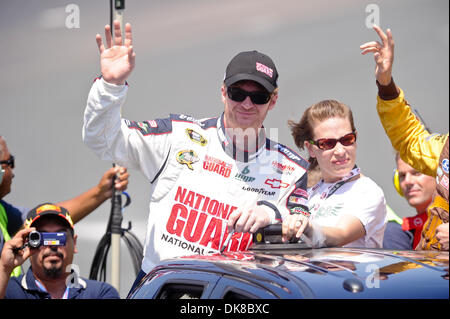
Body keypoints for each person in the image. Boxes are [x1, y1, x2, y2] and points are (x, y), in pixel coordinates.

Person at [82, 21, 310, 291]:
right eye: (238, 93)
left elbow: (308, 234)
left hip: (235, 296)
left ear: (273, 101)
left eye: (258, 96)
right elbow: (103, 140)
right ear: (223, 92)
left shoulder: (292, 170)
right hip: (163, 289)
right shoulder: (177, 136)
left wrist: (272, 214)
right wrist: (111, 85)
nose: (247, 104)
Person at [360, 25, 449, 251]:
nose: (409, 181)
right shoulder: (445, 148)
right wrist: (385, 82)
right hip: (431, 274)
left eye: (417, 173)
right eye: (403, 175)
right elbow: (409, 140)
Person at [0, 135, 129, 276]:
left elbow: (45, 216)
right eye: (9, 162)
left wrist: (101, 192)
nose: (13, 171)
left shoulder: (2, 211)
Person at [282, 99, 387, 248]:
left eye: (347, 139)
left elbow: (341, 235)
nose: (340, 151)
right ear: (311, 149)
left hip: (348, 272)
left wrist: (308, 228)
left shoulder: (368, 191)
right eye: (327, 143)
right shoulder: (308, 193)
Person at [0, 203, 120, 299]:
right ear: (28, 243)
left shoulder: (99, 294)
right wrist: (4, 268)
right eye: (43, 237)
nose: (52, 246)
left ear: (75, 243)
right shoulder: (8, 290)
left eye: (59, 237)